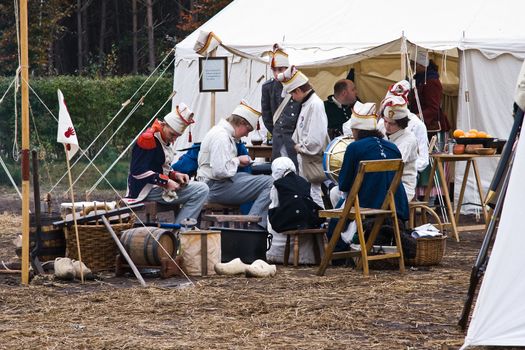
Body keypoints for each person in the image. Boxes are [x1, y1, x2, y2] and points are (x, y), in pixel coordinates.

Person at [328, 101, 409, 251]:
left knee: (338, 213)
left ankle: (340, 252)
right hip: (395, 205)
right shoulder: (392, 147)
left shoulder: (354, 147)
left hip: (367, 204)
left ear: (356, 130)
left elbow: (344, 185)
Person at [123, 103, 209, 224]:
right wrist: (166, 182)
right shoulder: (148, 139)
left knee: (199, 189)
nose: (173, 139)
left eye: (177, 136)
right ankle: (181, 230)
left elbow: (159, 167)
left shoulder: (162, 138)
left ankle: (180, 228)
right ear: (164, 125)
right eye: (172, 134)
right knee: (201, 190)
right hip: (145, 190)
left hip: (155, 187)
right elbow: (138, 171)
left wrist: (174, 175)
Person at [197, 101, 273, 228]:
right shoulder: (221, 137)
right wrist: (238, 160)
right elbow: (220, 171)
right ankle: (255, 225)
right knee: (271, 183)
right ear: (241, 123)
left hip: (216, 183)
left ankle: (255, 221)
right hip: (215, 187)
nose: (247, 134)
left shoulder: (222, 133)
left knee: (255, 178)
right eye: (248, 130)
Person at [278, 66, 330, 208]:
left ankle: (320, 223)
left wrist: (299, 147)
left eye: (293, 94)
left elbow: (316, 139)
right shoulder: (308, 103)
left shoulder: (315, 104)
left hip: (311, 159)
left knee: (314, 193)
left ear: (299, 90)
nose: (293, 98)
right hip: (306, 160)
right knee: (310, 193)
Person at [266, 157, 325, 264]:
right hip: (308, 221)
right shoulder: (304, 182)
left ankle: (274, 253)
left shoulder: (278, 184)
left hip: (290, 221)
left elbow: (274, 205)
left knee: (271, 214)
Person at [261, 44, 302, 168]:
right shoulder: (268, 87)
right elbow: (266, 115)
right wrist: (277, 131)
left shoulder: (297, 84)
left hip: (296, 138)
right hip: (279, 138)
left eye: (281, 69)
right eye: (275, 70)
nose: (277, 73)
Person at [408, 50, 451, 141]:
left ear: (421, 64)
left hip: (431, 127)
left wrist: (416, 117)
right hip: (421, 124)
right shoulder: (419, 79)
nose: (411, 67)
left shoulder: (431, 81)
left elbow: (433, 108)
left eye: (413, 64)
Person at [382, 101, 419, 201]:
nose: (387, 126)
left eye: (392, 123)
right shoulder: (382, 131)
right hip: (383, 184)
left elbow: (394, 166)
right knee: (336, 193)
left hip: (402, 187)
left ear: (401, 123)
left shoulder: (408, 140)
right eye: (385, 121)